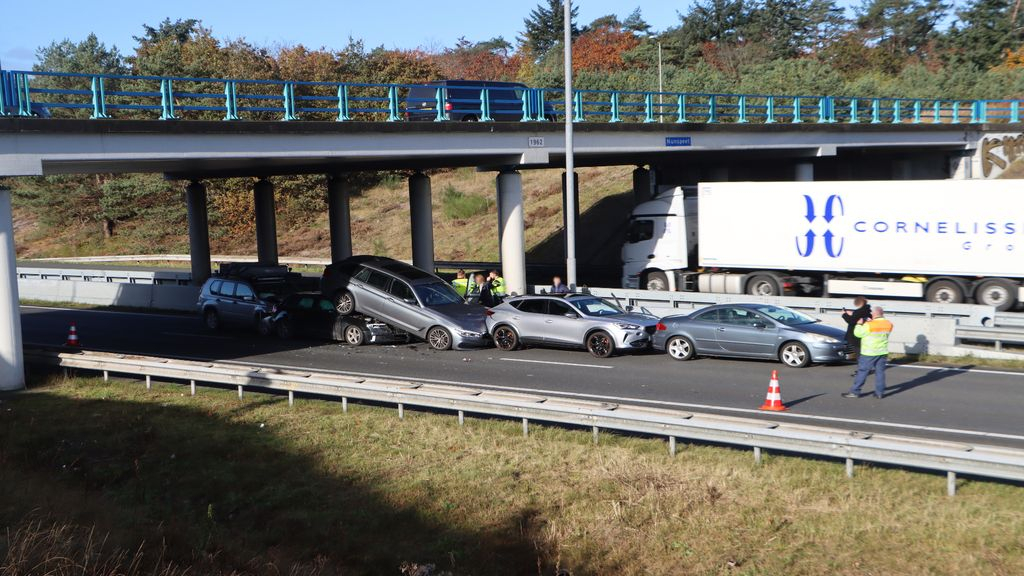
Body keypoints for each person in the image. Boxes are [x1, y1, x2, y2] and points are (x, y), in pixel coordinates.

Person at [843, 307, 893, 399]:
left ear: (874, 314)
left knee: (862, 372)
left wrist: (859, 324)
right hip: (882, 351)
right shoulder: (889, 324)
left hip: (869, 352)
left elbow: (858, 334)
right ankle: (879, 393)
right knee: (880, 372)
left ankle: (855, 392)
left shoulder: (869, 325)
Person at [841, 296, 872, 362]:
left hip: (856, 335)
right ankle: (864, 368)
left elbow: (851, 321)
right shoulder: (867, 311)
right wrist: (853, 313)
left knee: (859, 354)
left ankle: (862, 370)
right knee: (862, 353)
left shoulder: (859, 312)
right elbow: (858, 317)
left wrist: (844, 314)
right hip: (864, 334)